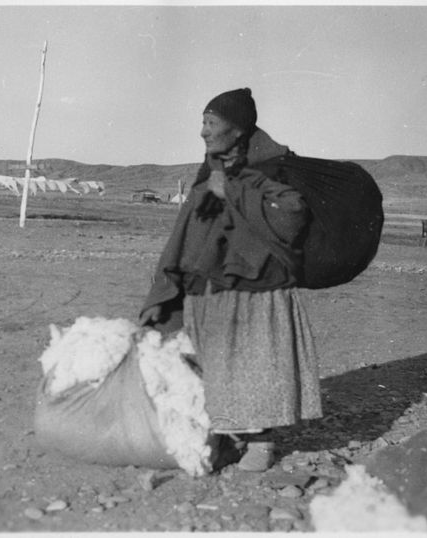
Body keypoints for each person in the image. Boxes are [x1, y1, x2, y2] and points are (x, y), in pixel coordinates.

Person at [138, 88, 322, 472]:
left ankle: (261, 439)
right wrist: (166, 283)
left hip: (256, 284)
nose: (203, 132)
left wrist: (235, 190)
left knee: (254, 362)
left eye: (211, 123)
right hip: (211, 282)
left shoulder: (270, 166)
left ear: (238, 130)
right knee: (214, 359)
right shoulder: (213, 167)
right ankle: (229, 427)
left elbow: (291, 215)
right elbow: (189, 226)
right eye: (202, 123)